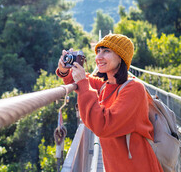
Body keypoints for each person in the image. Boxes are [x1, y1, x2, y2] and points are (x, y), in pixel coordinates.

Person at [56, 34, 163, 172]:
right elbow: (78, 81)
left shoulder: (134, 88)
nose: (99, 57)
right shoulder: (106, 86)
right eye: (98, 51)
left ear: (121, 57)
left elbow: (103, 125)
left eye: (106, 51)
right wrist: (65, 69)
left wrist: (83, 83)